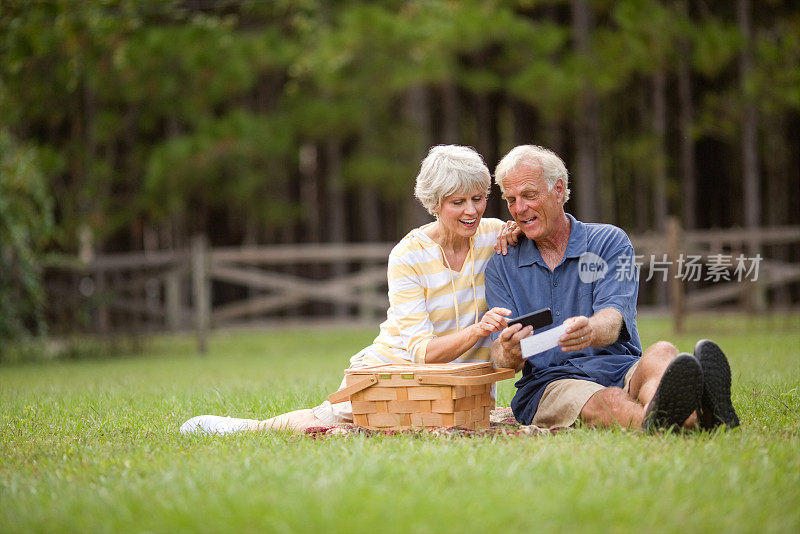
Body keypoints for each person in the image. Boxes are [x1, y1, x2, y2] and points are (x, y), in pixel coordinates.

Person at [181, 145, 517, 435]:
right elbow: (421, 353)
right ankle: (245, 428)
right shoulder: (408, 255)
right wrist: (478, 330)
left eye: (478, 198)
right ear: (434, 204)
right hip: (394, 371)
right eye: (458, 202)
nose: (471, 210)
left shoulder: (494, 234)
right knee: (322, 423)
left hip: (462, 380)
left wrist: (518, 233)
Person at [486, 145, 740, 431]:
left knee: (662, 352)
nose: (519, 208)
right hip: (551, 382)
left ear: (558, 190)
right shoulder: (502, 264)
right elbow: (501, 356)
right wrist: (509, 351)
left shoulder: (608, 241)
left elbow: (613, 317)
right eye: (511, 200)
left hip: (619, 364)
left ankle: (685, 414)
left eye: (529, 195)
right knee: (608, 400)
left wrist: (589, 331)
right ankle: (695, 414)